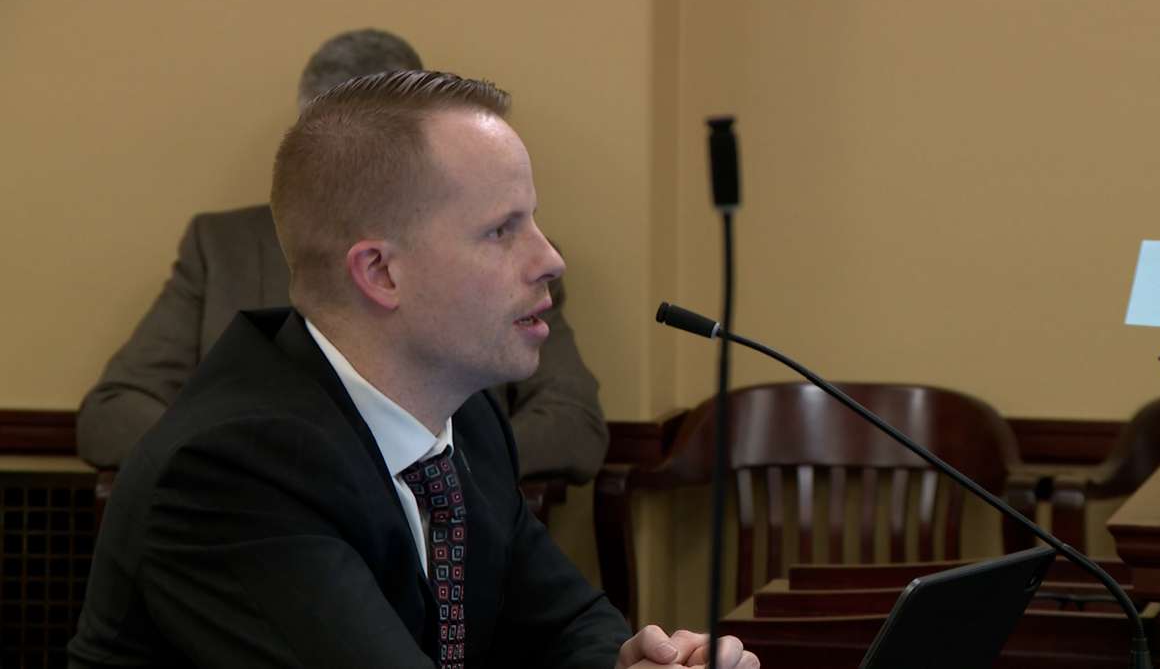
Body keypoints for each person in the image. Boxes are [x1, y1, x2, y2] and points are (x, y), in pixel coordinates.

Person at [68, 70, 758, 668]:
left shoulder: (468, 419)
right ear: (380, 271)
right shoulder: (236, 467)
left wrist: (640, 660)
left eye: (535, 221)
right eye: (501, 229)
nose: (550, 258)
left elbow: (565, 624)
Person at [76, 29, 608, 484]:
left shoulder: (518, 264)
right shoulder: (222, 249)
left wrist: (420, 470)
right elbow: (112, 412)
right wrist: (257, 470)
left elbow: (572, 424)